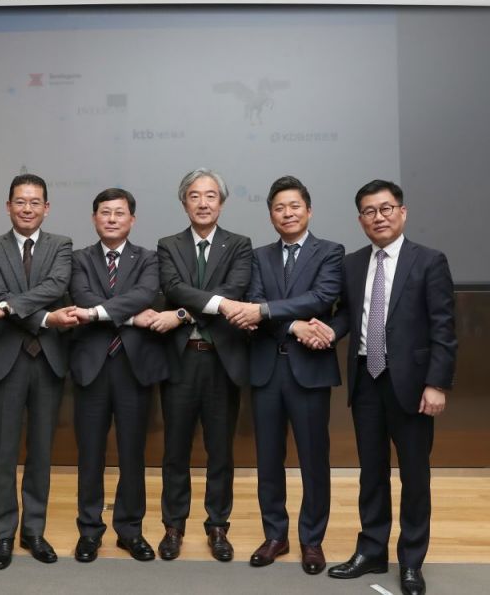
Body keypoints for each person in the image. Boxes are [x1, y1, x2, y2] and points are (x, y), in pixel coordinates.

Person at [324, 179, 457, 595]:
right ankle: (371, 550)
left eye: (385, 209)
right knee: (372, 472)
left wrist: (436, 383)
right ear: (360, 219)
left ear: (402, 212)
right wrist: (327, 332)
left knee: (414, 476)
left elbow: (444, 328)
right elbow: (346, 315)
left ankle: (412, 561)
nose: (378, 217)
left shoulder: (429, 261)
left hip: (413, 386)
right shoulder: (352, 264)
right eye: (369, 211)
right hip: (366, 379)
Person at [223, 176, 344, 573]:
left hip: (310, 371)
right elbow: (254, 304)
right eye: (279, 208)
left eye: (294, 206)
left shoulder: (331, 252)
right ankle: (275, 534)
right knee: (268, 459)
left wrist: (268, 312)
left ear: (308, 210)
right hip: (267, 370)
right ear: (271, 215)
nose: (287, 213)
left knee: (313, 459)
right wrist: (293, 326)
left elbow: (321, 297)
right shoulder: (259, 256)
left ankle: (312, 540)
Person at [0, 174, 76, 569]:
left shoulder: (61, 245)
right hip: (7, 359)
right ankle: (3, 533)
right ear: (8, 206)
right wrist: (45, 318)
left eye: (35, 202)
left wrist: (7, 308)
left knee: (41, 452)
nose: (27, 209)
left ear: (46, 208)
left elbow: (55, 286)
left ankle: (34, 531)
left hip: (47, 360)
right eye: (20, 201)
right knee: (3, 452)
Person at [150, 168, 251, 562]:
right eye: (195, 196)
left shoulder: (239, 245)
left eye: (211, 196)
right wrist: (211, 306)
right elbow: (174, 287)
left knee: (220, 450)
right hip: (181, 360)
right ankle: (173, 526)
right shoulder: (168, 245)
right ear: (184, 202)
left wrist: (183, 314)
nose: (203, 203)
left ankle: (218, 526)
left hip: (221, 362)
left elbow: (235, 289)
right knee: (175, 450)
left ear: (221, 203)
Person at [66, 188, 169, 563]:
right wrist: (128, 317)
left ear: (132, 219)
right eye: (105, 212)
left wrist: (100, 313)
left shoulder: (149, 258)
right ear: (94, 218)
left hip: (133, 367)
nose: (111, 219)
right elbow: (81, 295)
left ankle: (130, 530)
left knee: (132, 454)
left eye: (119, 213)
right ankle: (89, 531)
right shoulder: (78, 259)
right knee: (89, 453)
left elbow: (144, 294)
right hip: (92, 366)